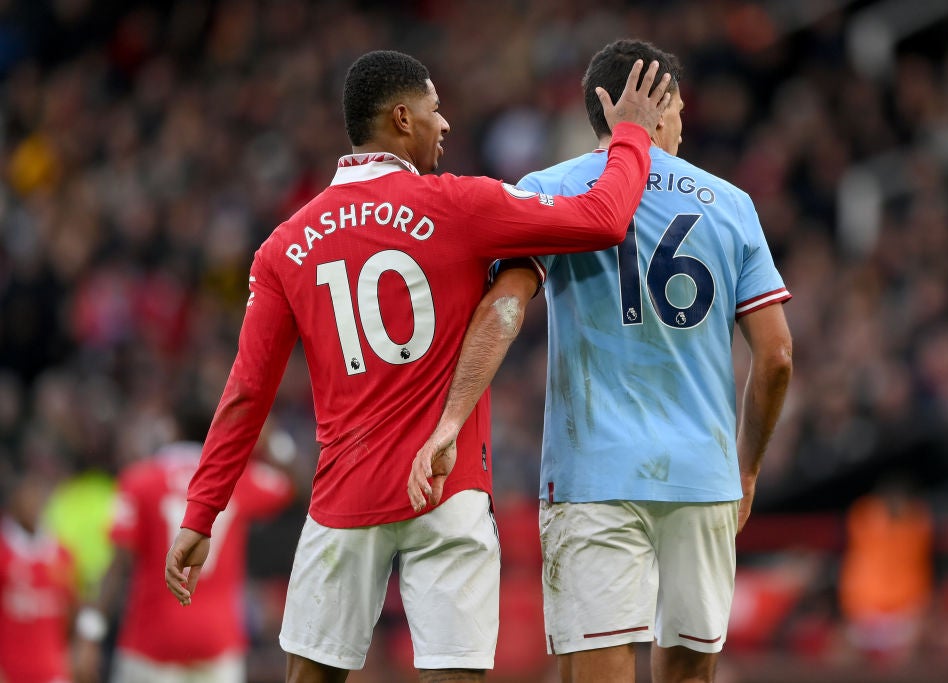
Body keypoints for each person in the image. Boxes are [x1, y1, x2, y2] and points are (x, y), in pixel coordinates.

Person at [165, 49, 672, 683]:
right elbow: (605, 217)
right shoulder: (458, 205)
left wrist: (200, 514)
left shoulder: (285, 245)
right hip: (447, 489)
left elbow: (246, 394)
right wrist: (629, 135)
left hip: (343, 500)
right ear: (403, 118)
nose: (447, 125)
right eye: (436, 110)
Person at [409, 40, 793, 683]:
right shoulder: (731, 205)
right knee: (690, 674)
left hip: (594, 476)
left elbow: (504, 311)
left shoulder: (550, 190)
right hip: (703, 478)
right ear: (661, 108)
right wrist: (746, 469)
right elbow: (777, 355)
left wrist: (451, 419)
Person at [97, 436, 294, 683]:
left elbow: (119, 563)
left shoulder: (140, 480)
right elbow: (290, 485)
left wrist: (91, 628)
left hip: (151, 640)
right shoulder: (236, 476)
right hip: (217, 639)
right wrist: (274, 440)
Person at [0, 468, 98, 683]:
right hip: (9, 670)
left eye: (40, 494)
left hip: (53, 672)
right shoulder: (4, 552)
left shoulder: (61, 554)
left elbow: (79, 605)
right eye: (29, 494)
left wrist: (86, 642)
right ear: (13, 501)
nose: (35, 501)